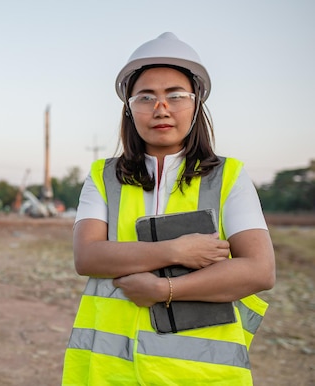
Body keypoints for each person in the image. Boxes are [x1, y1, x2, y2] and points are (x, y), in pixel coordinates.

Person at [61, 32, 275, 385]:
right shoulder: (104, 177)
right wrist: (176, 250)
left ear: (196, 104)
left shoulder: (228, 177)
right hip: (110, 372)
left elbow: (260, 271)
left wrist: (165, 291)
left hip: (203, 375)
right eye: (146, 97)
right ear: (129, 108)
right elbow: (87, 257)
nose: (161, 108)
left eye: (175, 96)